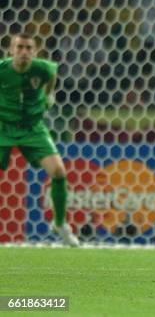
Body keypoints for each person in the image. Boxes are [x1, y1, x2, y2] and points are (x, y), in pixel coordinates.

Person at [0, 33, 78, 247]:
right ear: (11, 51)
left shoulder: (43, 69)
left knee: (59, 172)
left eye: (28, 48)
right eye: (20, 47)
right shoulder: (2, 70)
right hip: (3, 127)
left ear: (34, 51)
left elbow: (52, 76)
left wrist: (49, 95)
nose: (24, 52)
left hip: (33, 128)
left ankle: (60, 224)